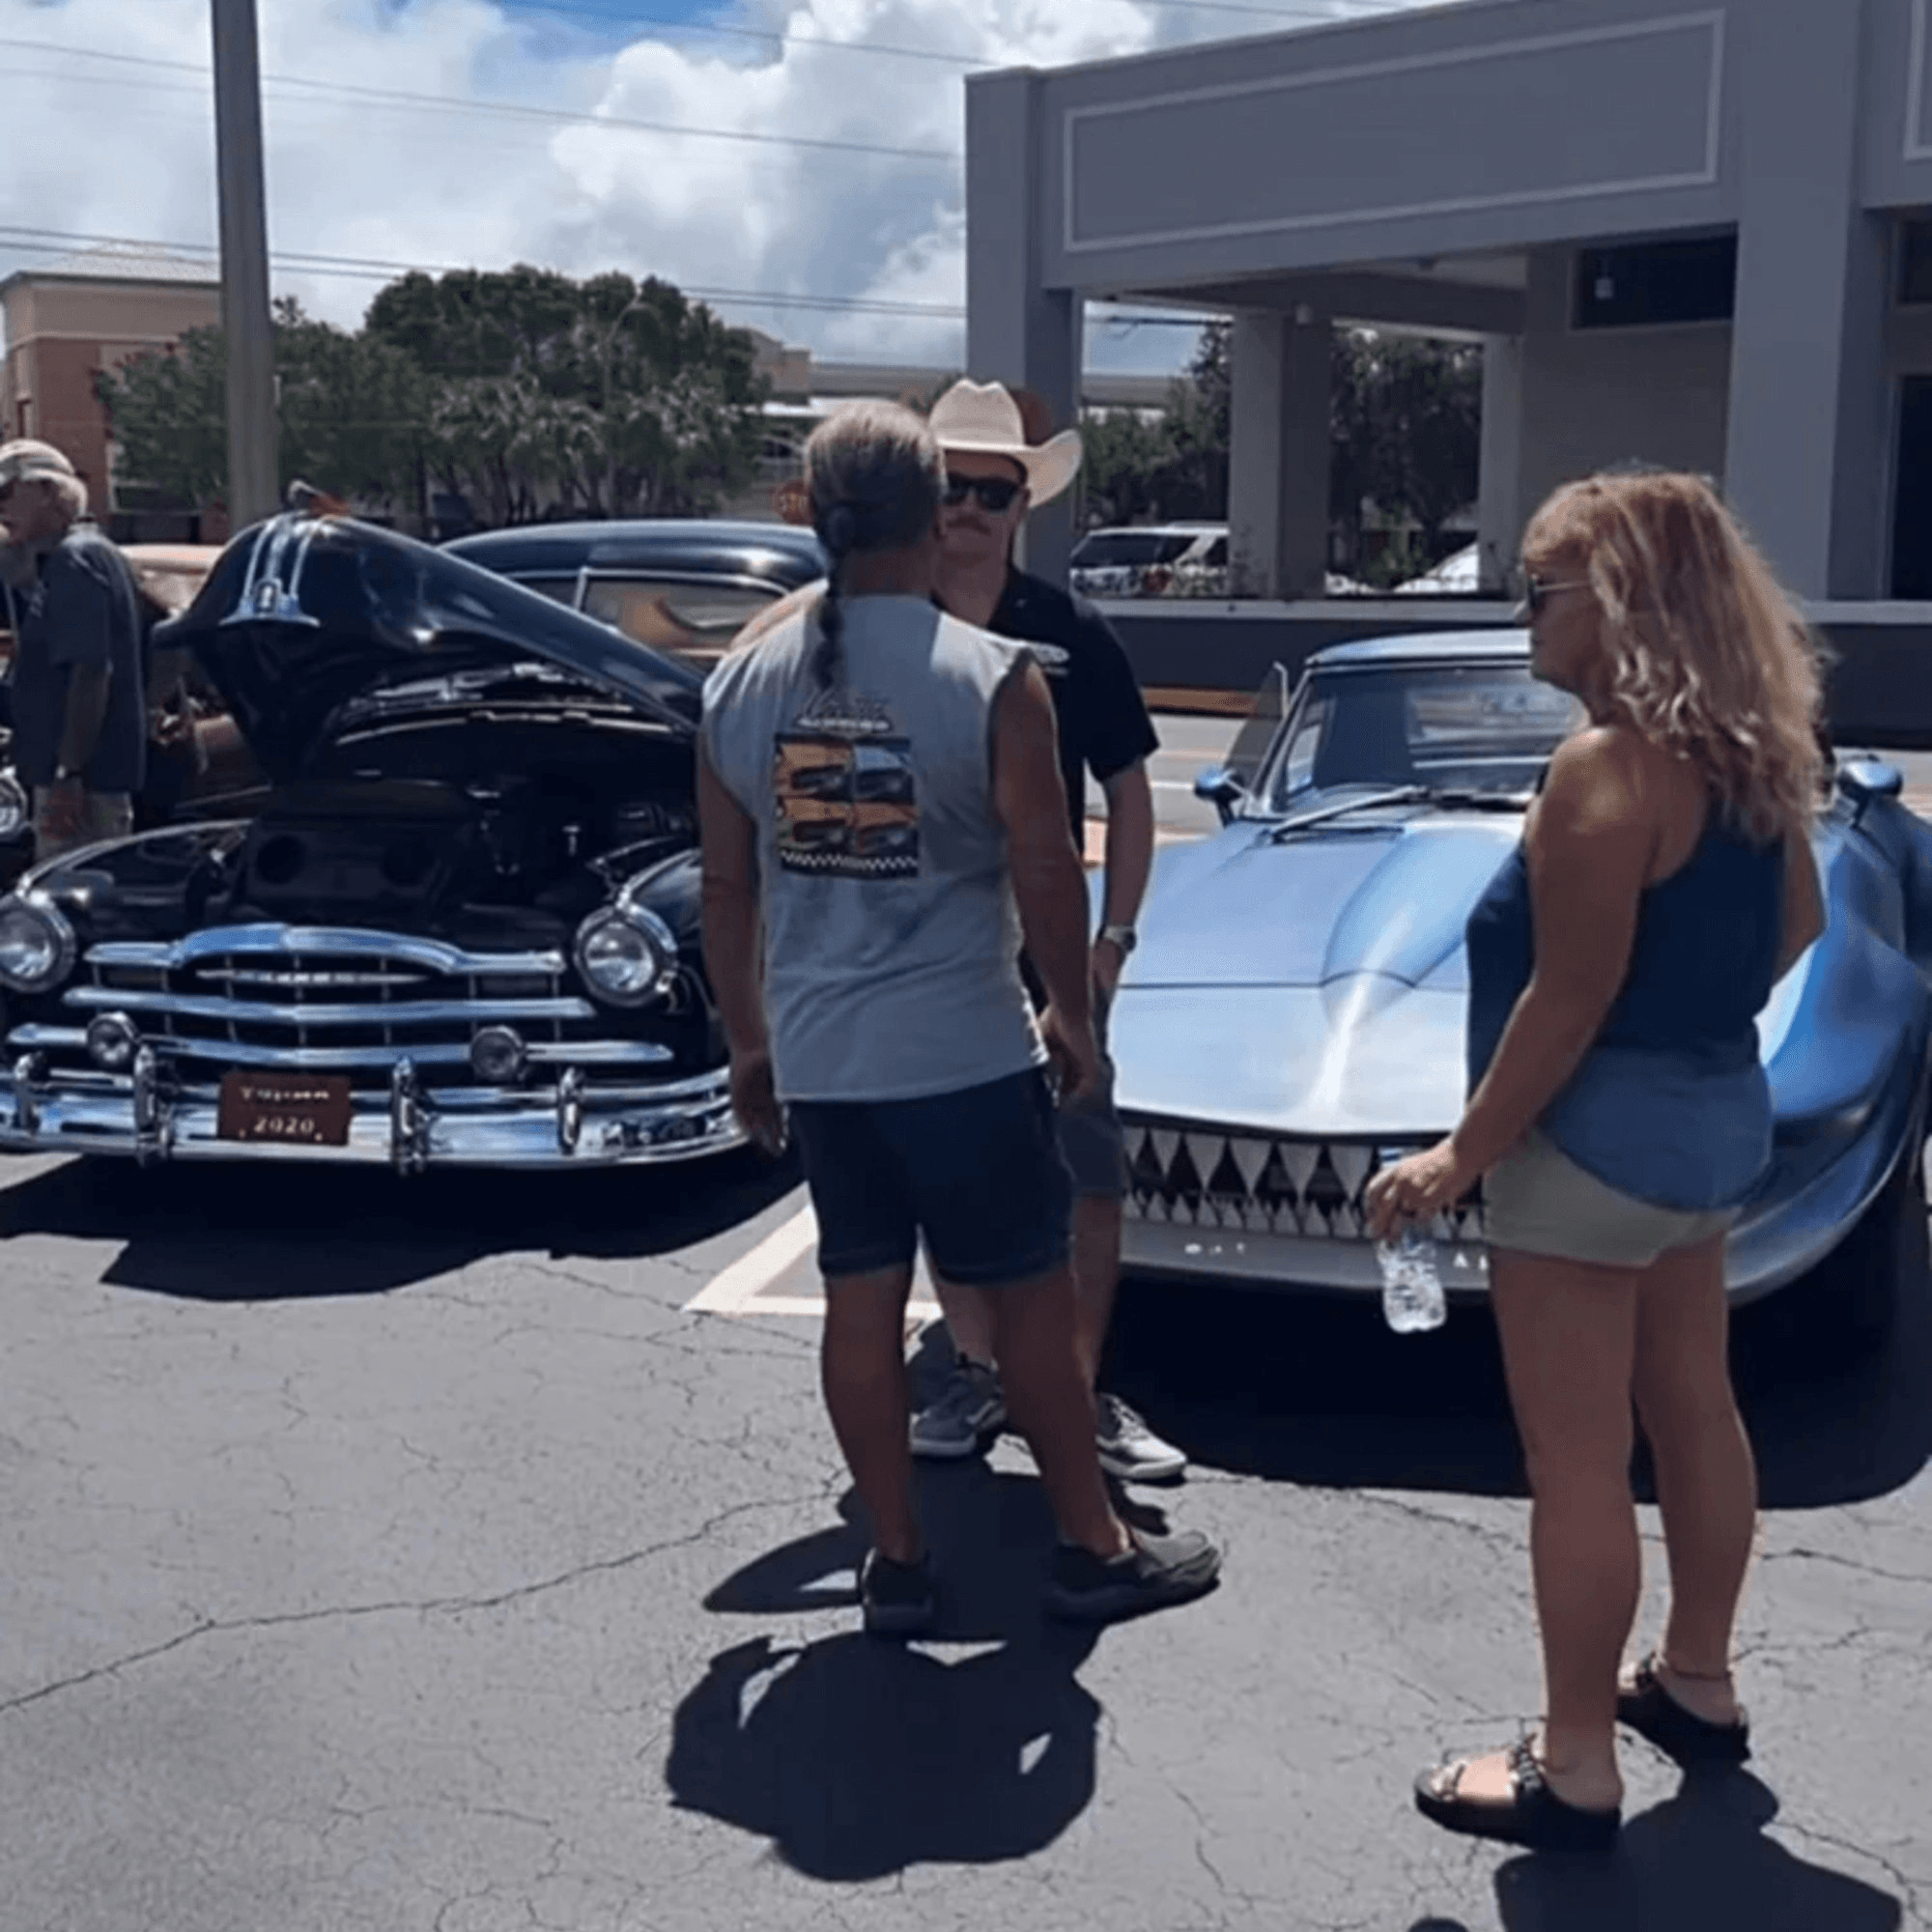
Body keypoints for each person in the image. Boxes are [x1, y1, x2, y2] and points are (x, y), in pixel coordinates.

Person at [698, 400, 1220, 1635]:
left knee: (859, 1298)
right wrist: (1071, 1010)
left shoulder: (740, 681)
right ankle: (1093, 1542)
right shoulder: (990, 677)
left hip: (825, 1062)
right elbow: (1044, 867)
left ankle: (895, 1556)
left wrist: (748, 1042)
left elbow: (727, 886)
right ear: (928, 515)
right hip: (964, 1057)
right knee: (1031, 1305)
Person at [1365, 469, 1827, 1853]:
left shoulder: (1604, 770)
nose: (1521, 617)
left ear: (1615, 603)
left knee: (1574, 1459)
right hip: (1713, 1131)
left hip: (1587, 1154)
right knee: (1696, 1407)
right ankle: (1697, 1679)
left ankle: (1572, 1764)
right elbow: (1796, 927)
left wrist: (1456, 1156)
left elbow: (1564, 999)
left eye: (1537, 590)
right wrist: (1691, 1029)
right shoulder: (1753, 758)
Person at [907, 380, 1185, 1484]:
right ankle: (976, 1372)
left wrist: (1110, 943)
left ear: (1024, 503)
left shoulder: (1069, 632)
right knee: (947, 1180)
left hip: (1050, 955)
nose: (968, 508)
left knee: (1086, 1176)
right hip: (924, 958)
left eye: (992, 491)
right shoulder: (881, 627)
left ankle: (1070, 1387)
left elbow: (1130, 789)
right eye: (950, 485)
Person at [0, 440, 147, 861]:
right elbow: (164, 633)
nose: (0, 507)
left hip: (82, 789)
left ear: (47, 490)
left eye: (6, 492)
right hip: (91, 780)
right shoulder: (101, 554)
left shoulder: (74, 561)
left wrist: (68, 774)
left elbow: (90, 672)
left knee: (70, 889)